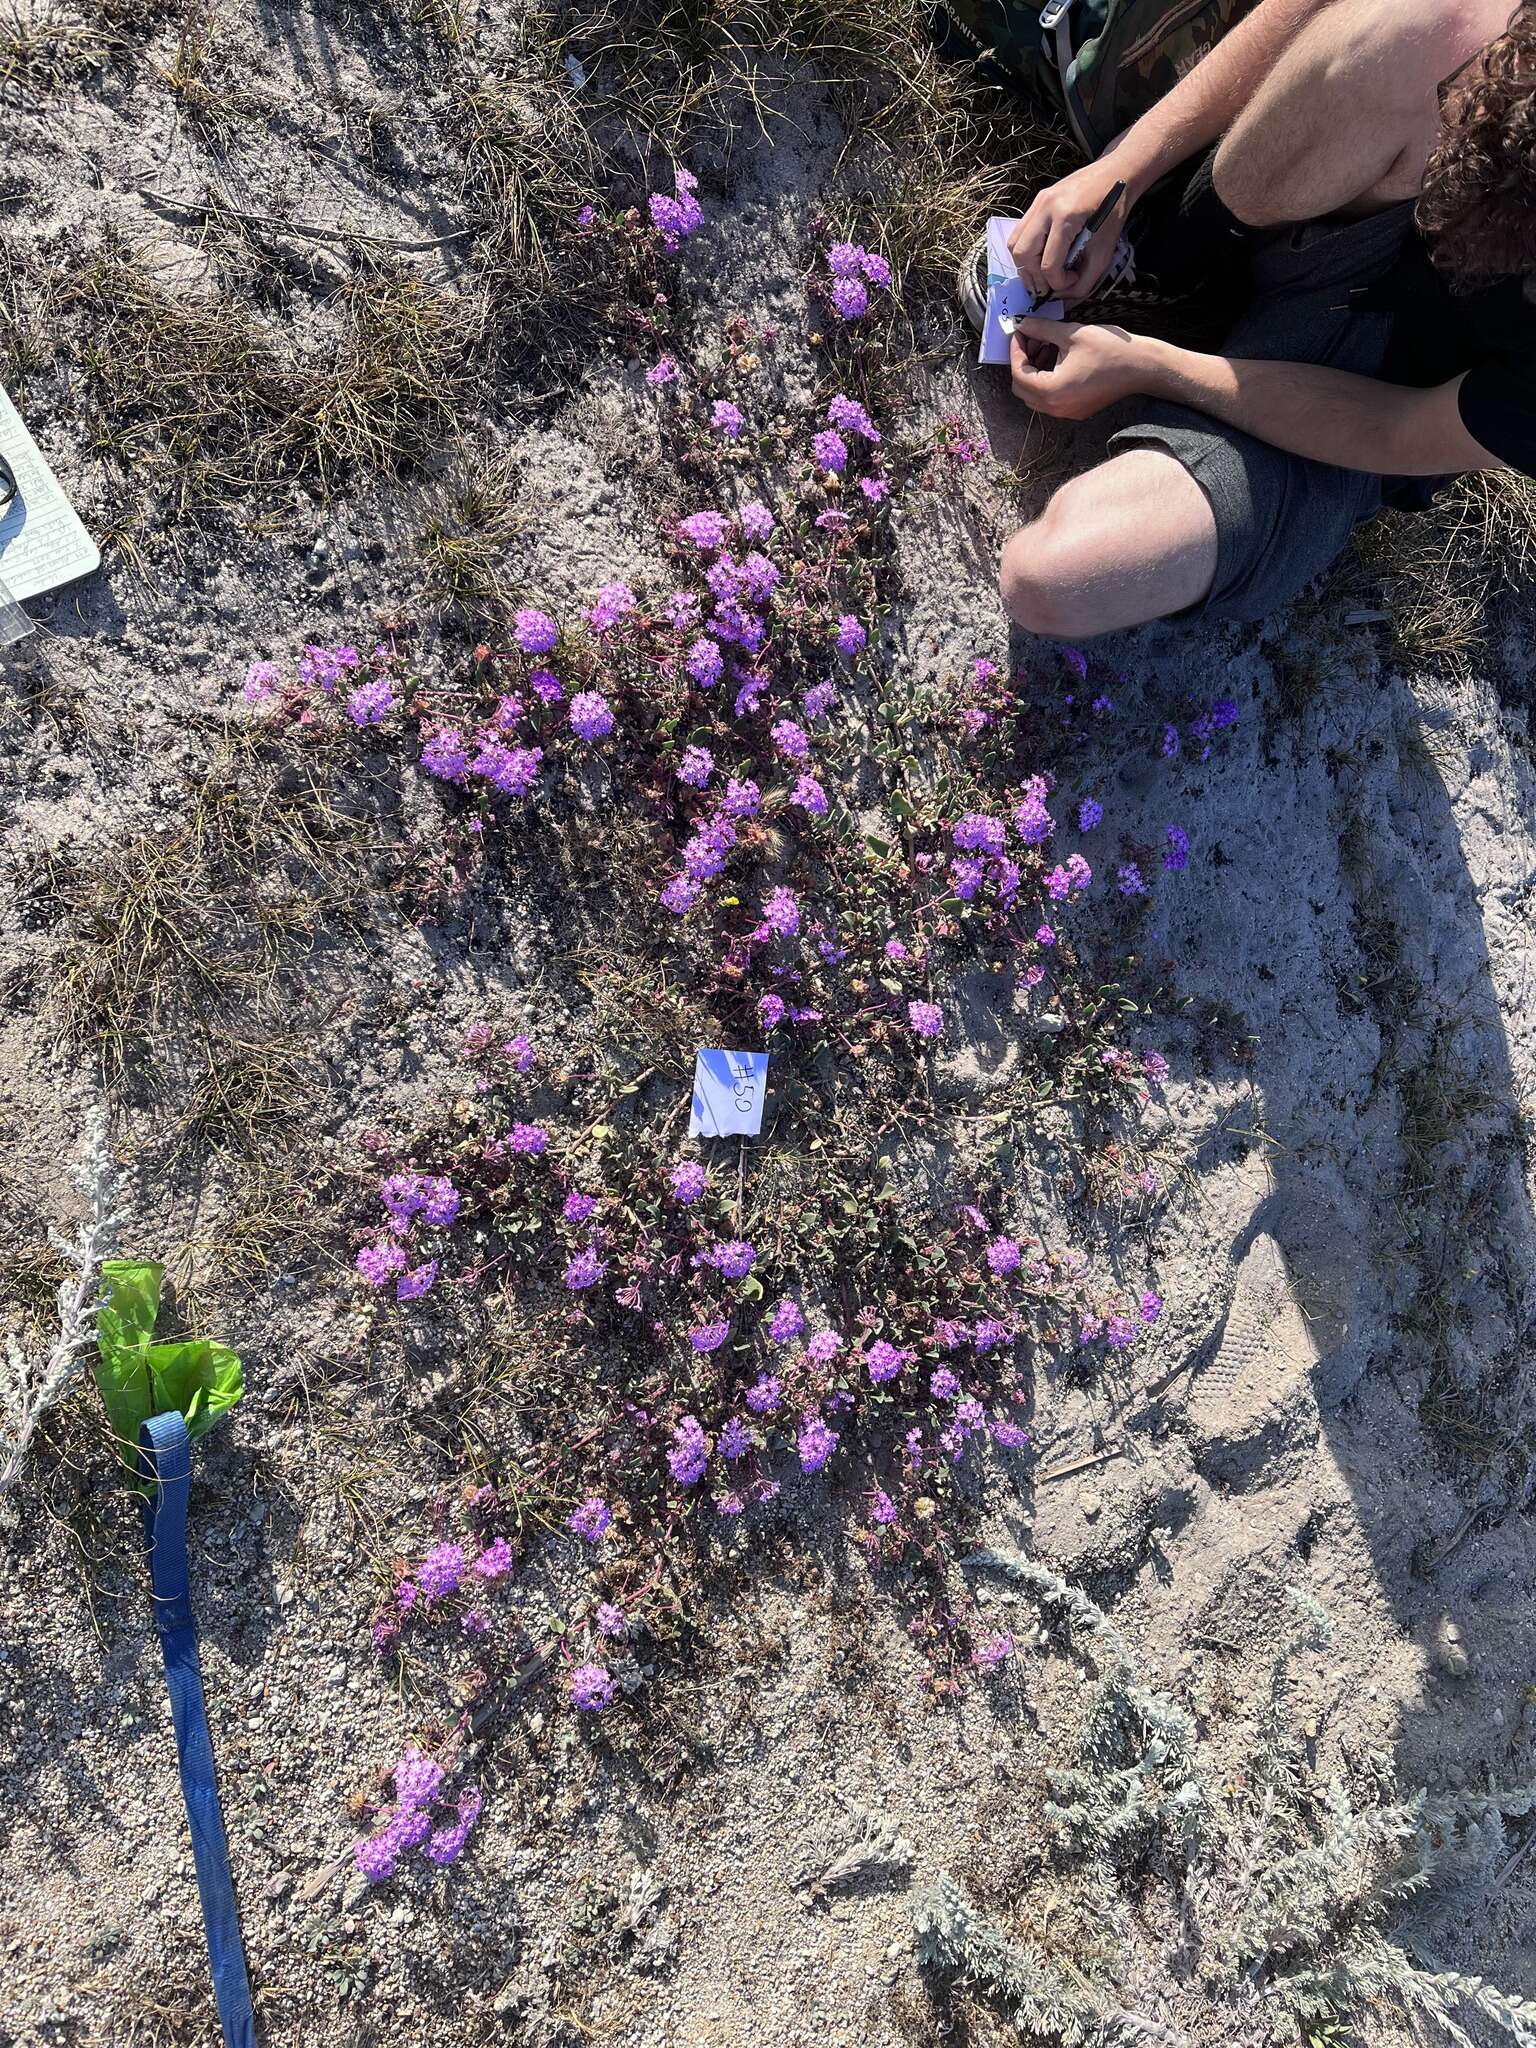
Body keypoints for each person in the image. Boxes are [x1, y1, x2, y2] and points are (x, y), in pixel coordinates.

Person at [995, 0, 1536, 635]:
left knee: (1053, 579)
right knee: (1438, 22)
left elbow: (1388, 432)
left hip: (1368, 387)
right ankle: (1169, 249)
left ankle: (1182, 297)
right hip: (1345, 198)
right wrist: (1123, 171)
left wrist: (1152, 367)